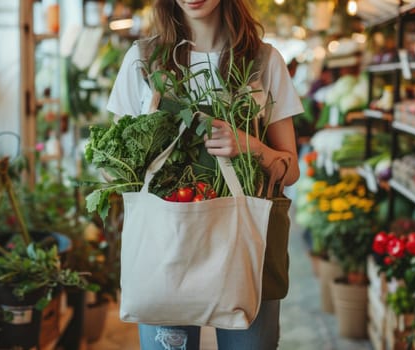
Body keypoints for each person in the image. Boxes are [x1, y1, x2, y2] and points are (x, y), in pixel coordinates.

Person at [106, 1, 303, 349]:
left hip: (246, 249)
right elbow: (115, 160)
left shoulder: (264, 61)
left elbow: (290, 171)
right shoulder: (142, 60)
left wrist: (251, 147)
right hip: (167, 249)